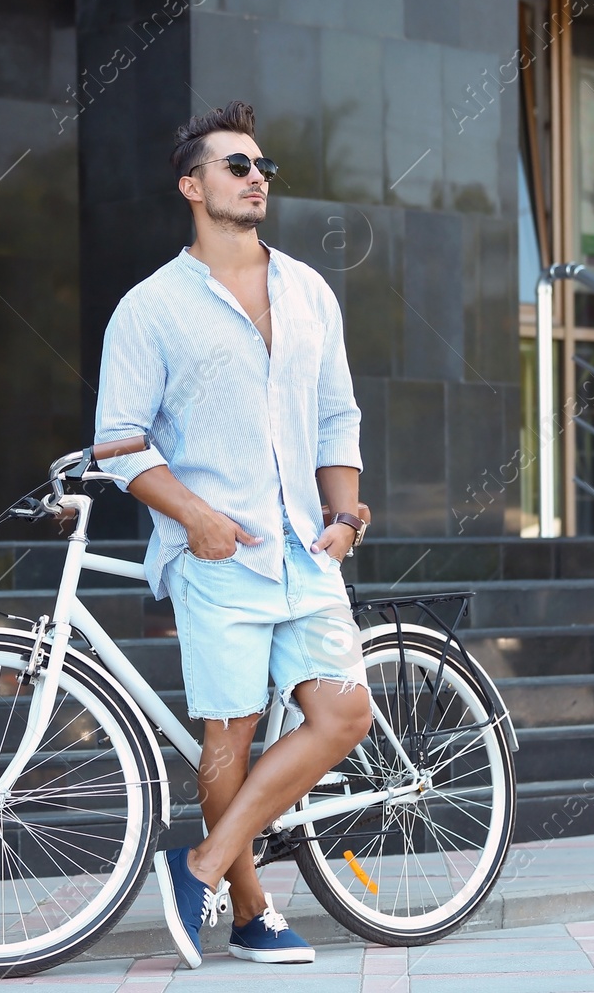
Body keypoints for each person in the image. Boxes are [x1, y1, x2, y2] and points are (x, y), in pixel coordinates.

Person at [93, 100, 372, 968]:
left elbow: (337, 415)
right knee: (231, 736)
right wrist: (197, 518)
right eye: (237, 166)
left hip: (305, 550)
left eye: (262, 168)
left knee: (343, 715)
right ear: (191, 185)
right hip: (217, 557)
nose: (257, 179)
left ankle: (202, 862)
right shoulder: (149, 309)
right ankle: (251, 912)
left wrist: (346, 512)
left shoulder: (309, 290)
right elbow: (118, 446)